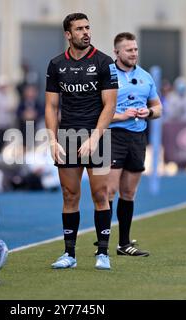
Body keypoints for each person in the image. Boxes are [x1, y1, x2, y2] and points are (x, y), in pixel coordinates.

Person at [45, 13, 118, 270]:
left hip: (97, 136)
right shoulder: (55, 65)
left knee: (100, 194)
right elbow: (51, 106)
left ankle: (103, 253)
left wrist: (95, 138)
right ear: (68, 34)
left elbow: (110, 106)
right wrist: (53, 140)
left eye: (88, 27)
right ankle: (69, 255)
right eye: (79, 29)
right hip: (67, 136)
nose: (86, 32)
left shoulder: (104, 62)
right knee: (69, 195)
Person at [104, 32, 162, 256]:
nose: (134, 53)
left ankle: (123, 244)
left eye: (135, 49)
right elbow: (98, 112)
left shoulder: (146, 77)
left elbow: (158, 108)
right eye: (129, 50)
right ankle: (102, 243)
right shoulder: (106, 75)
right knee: (108, 191)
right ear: (117, 52)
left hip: (137, 139)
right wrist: (122, 116)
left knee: (128, 192)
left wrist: (148, 111)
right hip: (113, 137)